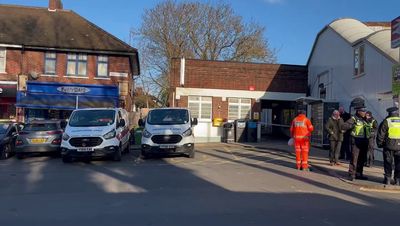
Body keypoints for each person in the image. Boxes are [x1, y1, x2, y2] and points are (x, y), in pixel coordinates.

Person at [341, 106, 369, 181]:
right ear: (358, 111)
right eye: (363, 111)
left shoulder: (365, 120)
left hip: (364, 142)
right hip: (356, 141)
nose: (364, 113)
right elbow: (344, 126)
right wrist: (352, 126)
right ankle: (352, 174)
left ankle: (359, 174)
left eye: (365, 111)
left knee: (362, 159)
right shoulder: (353, 119)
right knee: (354, 158)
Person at [376, 107, 400, 186]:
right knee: (398, 164)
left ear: (389, 113)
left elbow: (381, 134)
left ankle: (388, 180)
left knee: (388, 163)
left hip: (388, 146)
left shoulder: (386, 121)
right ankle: (397, 180)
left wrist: (380, 144)